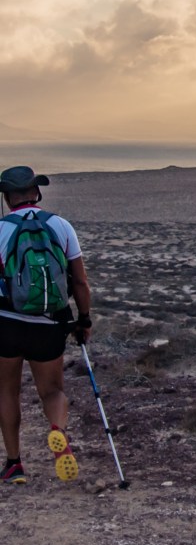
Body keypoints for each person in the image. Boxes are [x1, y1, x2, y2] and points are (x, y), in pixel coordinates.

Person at [0, 166, 92, 485]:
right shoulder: (60, 226)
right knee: (53, 391)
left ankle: (14, 465)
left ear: (7, 198)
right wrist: (84, 319)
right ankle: (57, 431)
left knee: (6, 391)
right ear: (35, 192)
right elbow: (79, 281)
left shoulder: (0, 230)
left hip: (6, 324)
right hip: (49, 323)